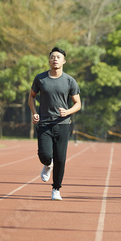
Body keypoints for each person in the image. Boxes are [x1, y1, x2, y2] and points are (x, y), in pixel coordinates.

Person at [28, 47, 81, 201]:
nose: (55, 59)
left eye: (58, 57)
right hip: (44, 122)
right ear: (49, 60)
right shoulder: (40, 79)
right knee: (45, 155)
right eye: (52, 57)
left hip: (63, 124)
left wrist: (67, 112)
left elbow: (78, 104)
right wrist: (34, 112)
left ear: (64, 61)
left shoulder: (70, 81)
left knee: (61, 158)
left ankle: (56, 188)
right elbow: (31, 97)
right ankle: (47, 164)